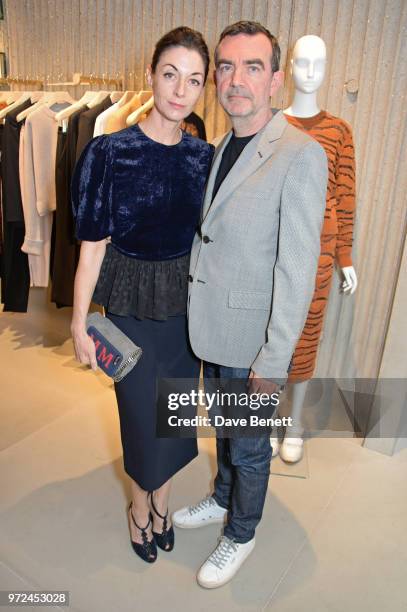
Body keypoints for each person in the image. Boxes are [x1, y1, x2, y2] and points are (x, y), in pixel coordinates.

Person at [173, 21, 328, 588]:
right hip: (213, 324)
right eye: (228, 66)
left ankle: (241, 531)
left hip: (254, 339)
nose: (237, 80)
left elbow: (298, 268)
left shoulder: (300, 155)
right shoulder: (220, 146)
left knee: (250, 444)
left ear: (276, 80)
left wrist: (274, 359)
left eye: (253, 67)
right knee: (225, 428)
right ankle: (220, 499)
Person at [70, 27, 214, 564]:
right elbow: (90, 248)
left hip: (183, 311)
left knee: (175, 420)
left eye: (194, 80)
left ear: (203, 91)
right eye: (171, 74)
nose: (180, 90)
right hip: (129, 309)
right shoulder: (109, 152)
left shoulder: (203, 159)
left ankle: (162, 507)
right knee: (139, 421)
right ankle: (139, 509)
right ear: (151, 74)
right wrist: (79, 321)